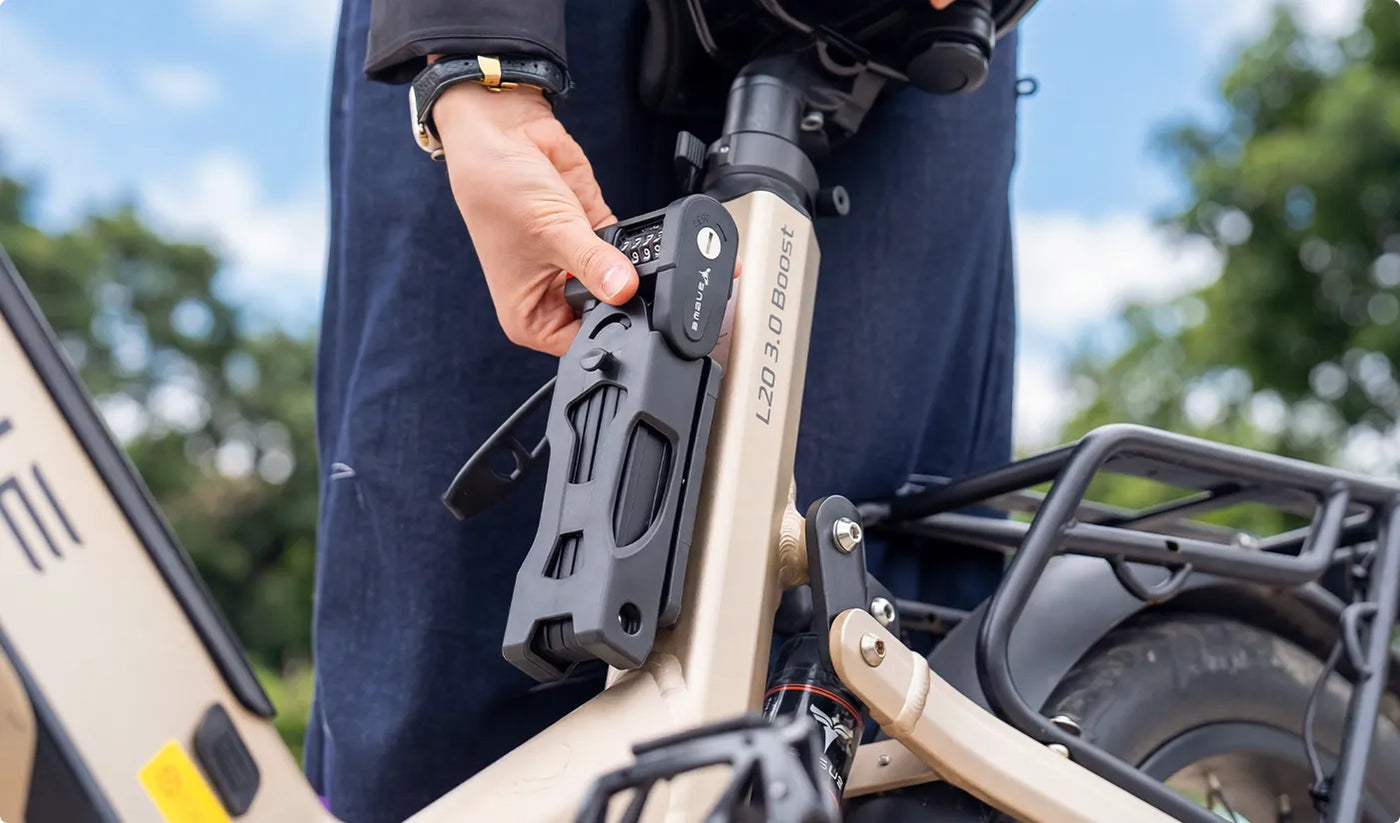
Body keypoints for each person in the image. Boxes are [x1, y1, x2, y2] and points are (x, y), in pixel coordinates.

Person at [306, 1, 1019, 820]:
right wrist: (475, 61)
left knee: (887, 705)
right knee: (443, 703)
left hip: (896, 63)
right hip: (549, 40)